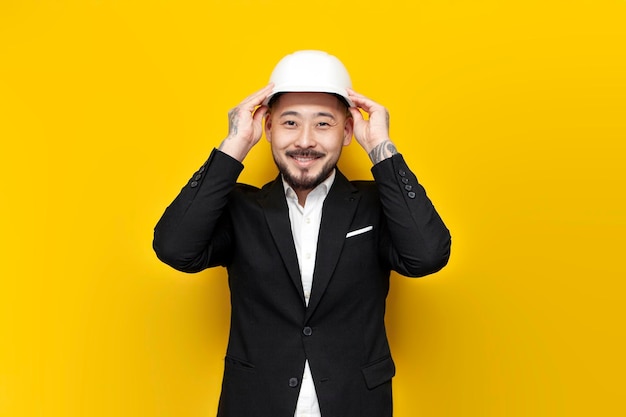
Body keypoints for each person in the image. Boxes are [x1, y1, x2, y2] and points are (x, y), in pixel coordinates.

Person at [153, 50, 451, 417]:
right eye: (290, 123)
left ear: (346, 132)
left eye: (323, 124)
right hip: (255, 405)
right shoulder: (240, 209)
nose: (305, 141)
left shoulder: (376, 205)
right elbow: (174, 248)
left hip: (355, 405)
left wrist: (380, 148)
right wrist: (233, 144)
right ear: (267, 129)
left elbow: (427, 256)